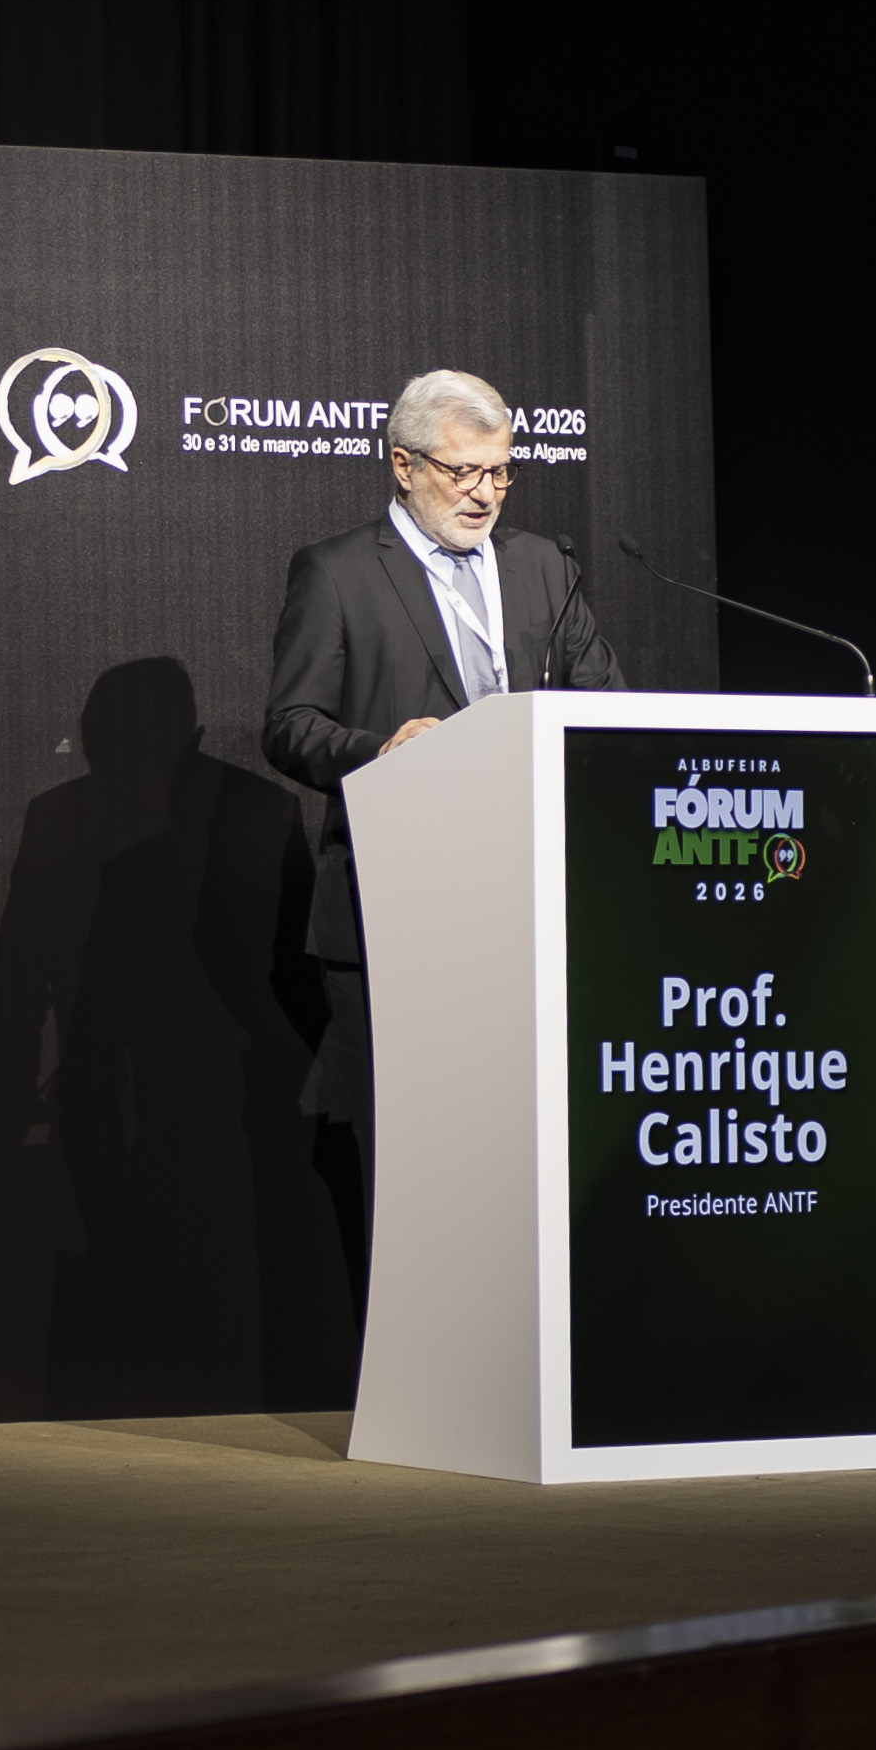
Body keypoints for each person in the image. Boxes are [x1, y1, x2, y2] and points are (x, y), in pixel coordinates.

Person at [262, 367, 620, 1294]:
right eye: (463, 472)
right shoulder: (338, 572)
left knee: (520, 1144)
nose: (484, 493)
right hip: (394, 908)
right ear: (403, 466)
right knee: (406, 1150)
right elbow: (290, 725)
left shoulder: (543, 565)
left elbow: (606, 705)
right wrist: (379, 748)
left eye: (500, 472)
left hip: (529, 907)